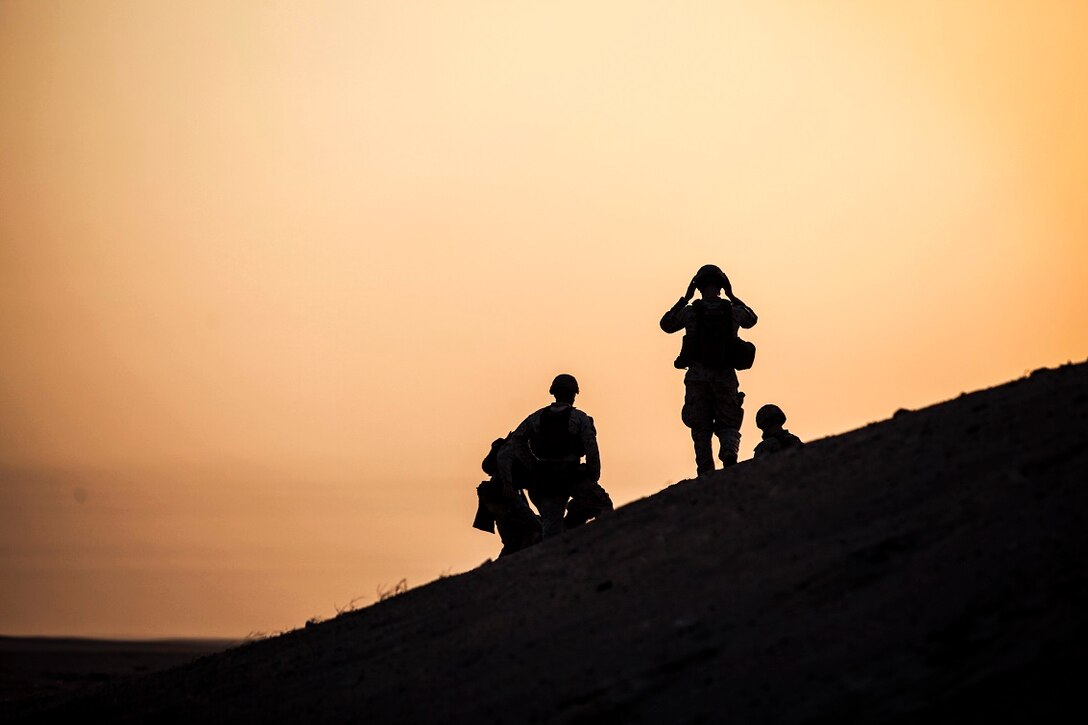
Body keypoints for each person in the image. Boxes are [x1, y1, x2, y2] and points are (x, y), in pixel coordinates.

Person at [660, 264, 758, 476]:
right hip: (725, 375)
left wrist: (685, 298)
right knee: (729, 421)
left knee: (700, 426)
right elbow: (753, 319)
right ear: (722, 285)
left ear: (698, 286)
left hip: (697, 376)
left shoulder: (689, 313)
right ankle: (729, 452)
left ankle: (705, 470)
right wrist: (733, 296)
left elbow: (666, 324)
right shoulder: (734, 311)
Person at [501, 374, 613, 539]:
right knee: (603, 505)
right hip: (571, 474)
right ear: (574, 394)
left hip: (547, 478)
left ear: (554, 392)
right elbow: (591, 449)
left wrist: (533, 465)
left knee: (551, 530)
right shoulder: (580, 418)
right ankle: (604, 545)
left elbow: (517, 440)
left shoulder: (537, 417)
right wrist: (592, 474)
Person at [473, 436, 542, 557]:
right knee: (529, 531)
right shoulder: (515, 453)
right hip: (501, 499)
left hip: (498, 499)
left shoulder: (509, 453)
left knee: (513, 539)